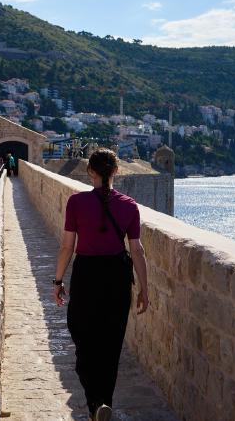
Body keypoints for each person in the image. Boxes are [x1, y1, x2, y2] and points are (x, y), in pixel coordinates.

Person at [52, 148, 149, 421]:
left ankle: (96, 403)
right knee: (111, 344)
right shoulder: (129, 206)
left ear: (90, 172)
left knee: (83, 338)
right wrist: (144, 288)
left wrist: (58, 281)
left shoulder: (76, 202)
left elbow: (67, 247)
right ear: (116, 171)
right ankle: (104, 402)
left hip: (87, 275)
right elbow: (137, 250)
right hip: (117, 276)